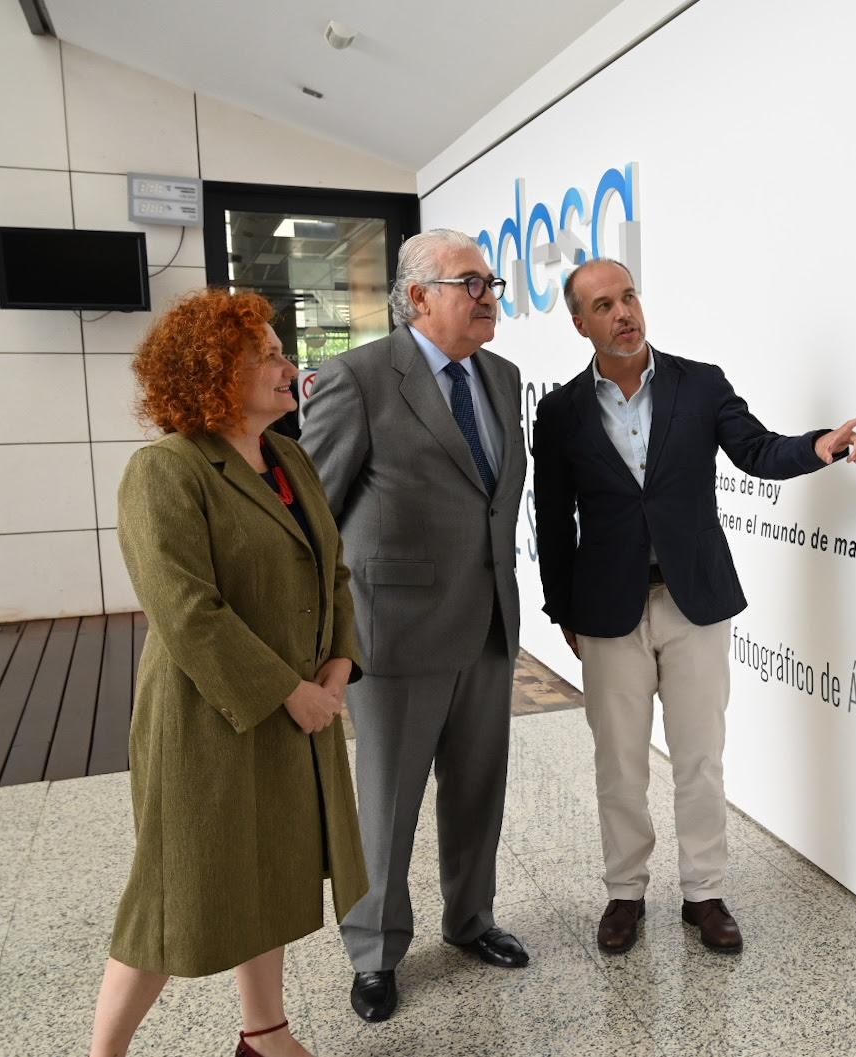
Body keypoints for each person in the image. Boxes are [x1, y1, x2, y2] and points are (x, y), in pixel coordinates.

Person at [532, 258, 856, 955]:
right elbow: (554, 520)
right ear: (579, 323)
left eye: (629, 297)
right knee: (618, 762)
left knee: (700, 757)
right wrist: (563, 610)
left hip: (695, 602)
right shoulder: (560, 411)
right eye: (604, 305)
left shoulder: (700, 383)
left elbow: (756, 449)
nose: (623, 313)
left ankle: (704, 892)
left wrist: (819, 448)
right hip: (607, 610)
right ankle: (625, 892)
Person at [90, 290, 366, 1057]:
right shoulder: (165, 471)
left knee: (269, 872)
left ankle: (265, 1032)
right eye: (269, 356)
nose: (289, 366)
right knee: (172, 896)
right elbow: (187, 611)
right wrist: (291, 691)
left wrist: (340, 662)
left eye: (283, 351)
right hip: (207, 721)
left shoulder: (291, 457)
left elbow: (334, 570)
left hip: (298, 711)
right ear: (216, 374)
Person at [300, 229, 529, 1023]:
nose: (489, 292)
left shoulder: (502, 376)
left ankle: (469, 920)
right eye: (472, 281)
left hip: (490, 625)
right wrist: (323, 642)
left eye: (490, 280)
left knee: (478, 792)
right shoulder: (358, 378)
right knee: (388, 806)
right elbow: (315, 523)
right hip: (394, 634)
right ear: (419, 295)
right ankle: (374, 952)